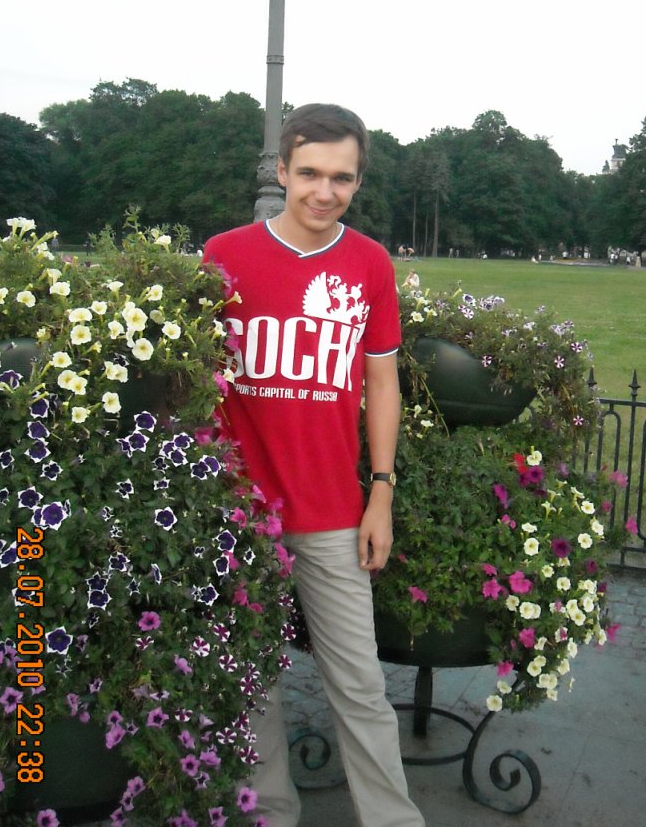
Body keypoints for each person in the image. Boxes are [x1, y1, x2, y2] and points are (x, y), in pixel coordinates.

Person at [202, 103, 424, 827]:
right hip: (240, 508)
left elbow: (382, 383)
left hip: (331, 509)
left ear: (358, 181)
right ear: (281, 170)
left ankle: (392, 821)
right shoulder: (224, 255)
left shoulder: (369, 263)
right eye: (309, 174)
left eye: (342, 178)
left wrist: (380, 494)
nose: (324, 192)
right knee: (251, 683)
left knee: (359, 685)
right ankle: (269, 810)